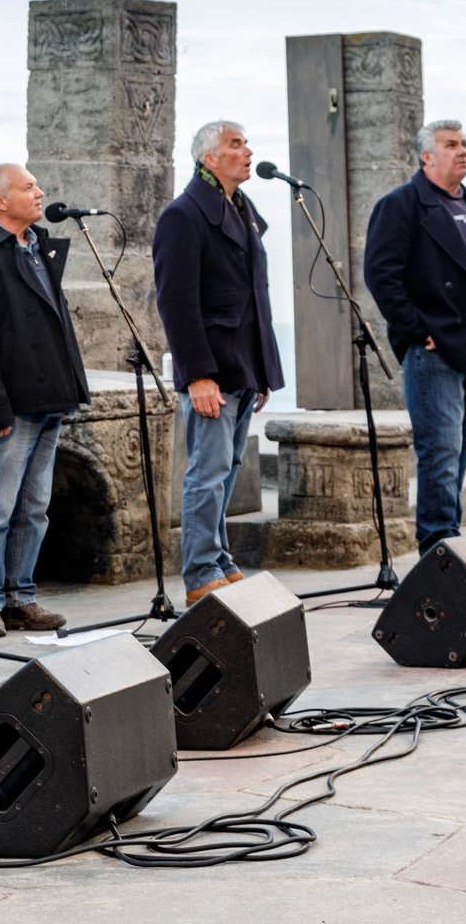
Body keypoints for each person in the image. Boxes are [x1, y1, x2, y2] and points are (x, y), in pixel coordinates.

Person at [364, 119, 466, 554]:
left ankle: (449, 534)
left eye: (465, 143)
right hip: (432, 351)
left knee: (465, 447)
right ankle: (439, 547)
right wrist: (417, 330)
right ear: (426, 156)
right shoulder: (402, 205)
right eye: (451, 144)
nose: (462, 151)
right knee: (440, 450)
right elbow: (381, 274)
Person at [0, 163, 87, 639]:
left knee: (34, 506)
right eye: (29, 187)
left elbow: (54, 324)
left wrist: (70, 390)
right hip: (9, 404)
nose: (40, 191)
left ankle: (19, 598)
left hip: (48, 397)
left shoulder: (36, 245)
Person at [151, 121, 285, 606]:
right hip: (212, 368)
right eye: (236, 144)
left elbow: (253, 297)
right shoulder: (184, 216)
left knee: (227, 466)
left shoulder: (242, 211)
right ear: (210, 158)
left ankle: (219, 557)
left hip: (241, 364)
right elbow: (177, 304)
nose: (248, 151)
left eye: (246, 142)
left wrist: (262, 368)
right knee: (206, 471)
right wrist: (197, 375)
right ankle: (200, 570)